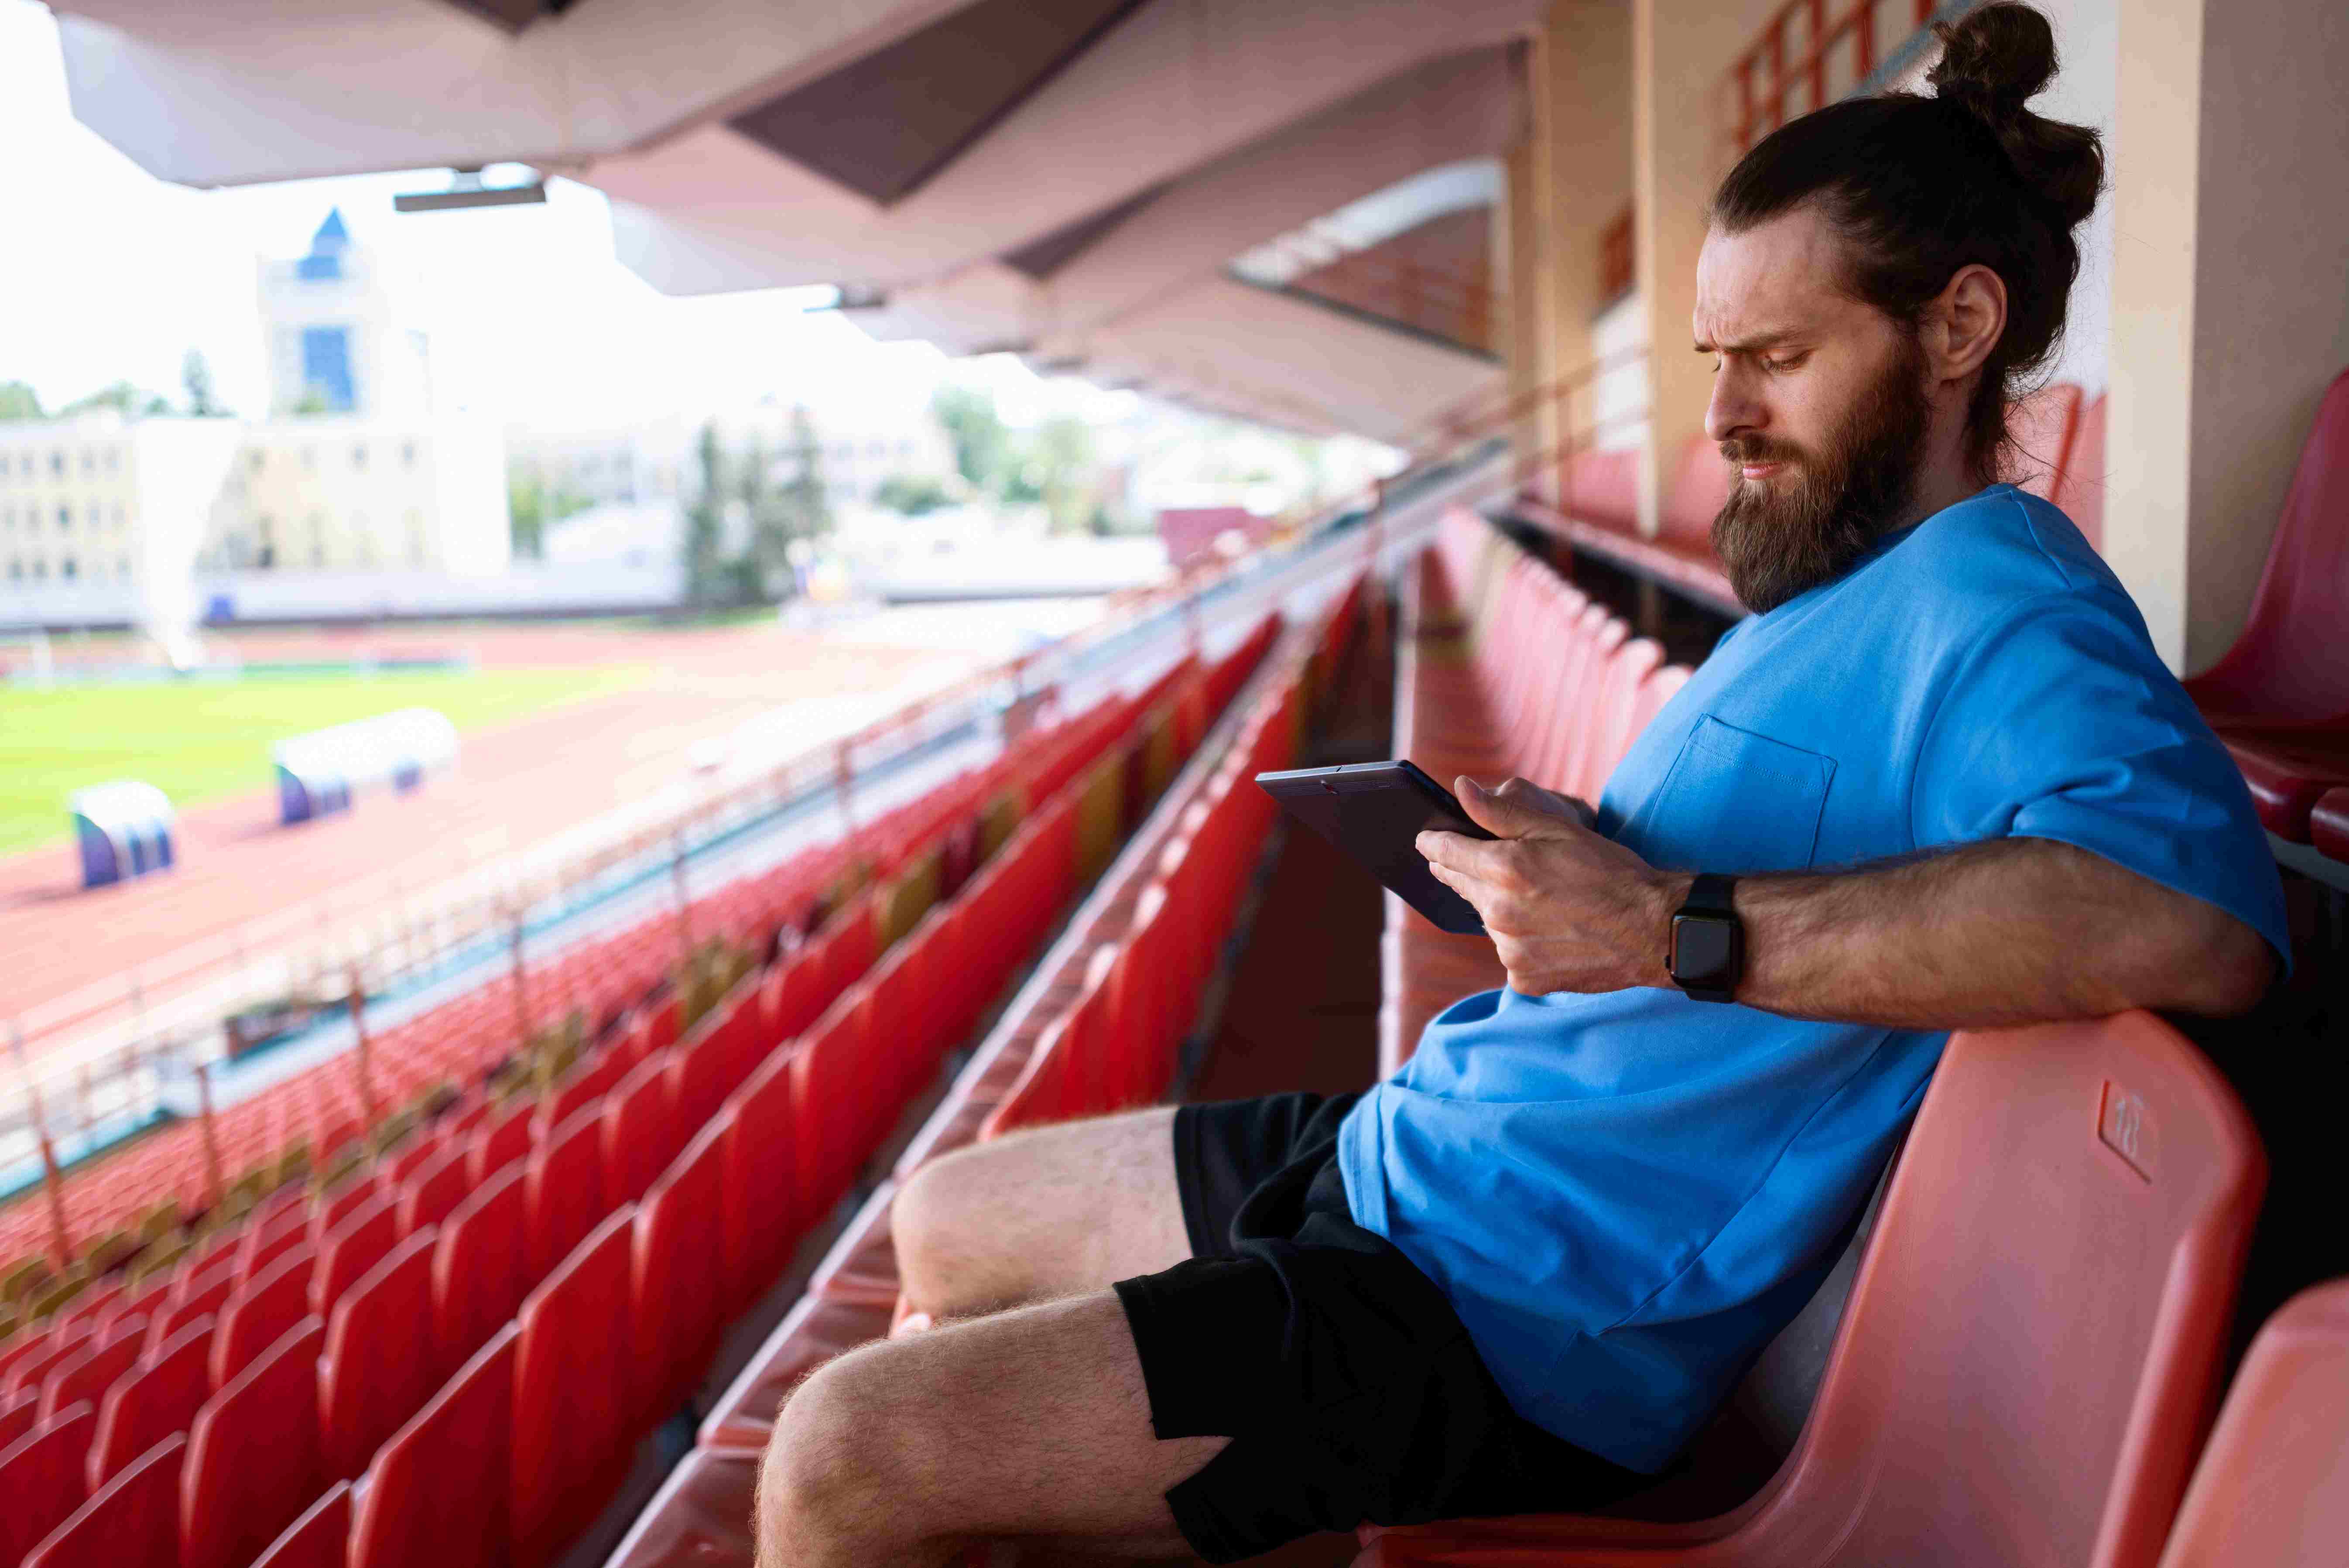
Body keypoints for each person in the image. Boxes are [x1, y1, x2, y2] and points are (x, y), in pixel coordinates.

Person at [751, 7, 2287, 1563]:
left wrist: (1665, 921)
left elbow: (2196, 916)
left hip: (1499, 1311)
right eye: (1716, 360)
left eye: (1779, 359)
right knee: (945, 1213)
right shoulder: (1836, 582)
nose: (1722, 418)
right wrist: (1574, 858)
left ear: (1959, 330)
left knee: (840, 1458)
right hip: (1413, 1149)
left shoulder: (2005, 602)